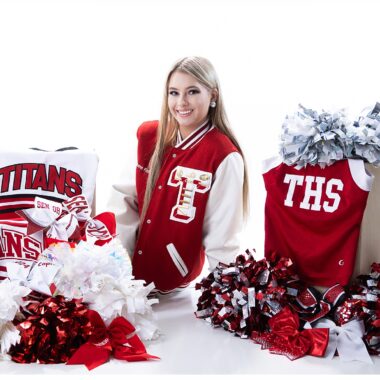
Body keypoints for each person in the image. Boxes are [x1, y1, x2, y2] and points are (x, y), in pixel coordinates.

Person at [108, 56, 249, 293]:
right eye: (173, 92)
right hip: (123, 279)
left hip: (171, 285)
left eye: (192, 91)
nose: (181, 102)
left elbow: (222, 237)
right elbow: (124, 201)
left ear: (213, 95)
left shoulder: (223, 155)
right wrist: (116, 262)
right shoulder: (149, 136)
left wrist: (228, 297)